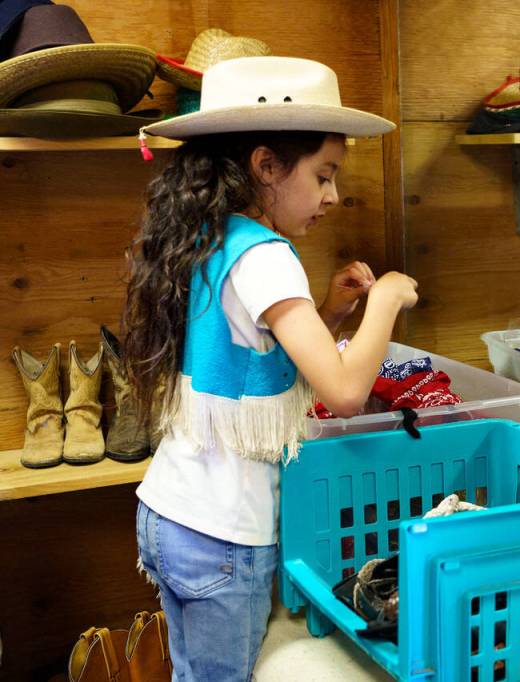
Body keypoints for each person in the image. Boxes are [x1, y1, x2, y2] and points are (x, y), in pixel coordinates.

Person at [122, 56, 418, 680]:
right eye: (324, 174)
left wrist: (332, 315)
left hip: (169, 512)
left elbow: (255, 357)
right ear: (265, 165)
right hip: (223, 532)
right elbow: (341, 391)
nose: (333, 196)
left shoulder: (211, 234)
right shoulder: (269, 256)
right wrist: (386, 301)